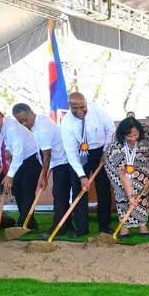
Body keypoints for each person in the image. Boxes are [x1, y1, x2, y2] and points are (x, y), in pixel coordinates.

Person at [12, 103, 74, 239]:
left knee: (59, 195)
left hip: (63, 162)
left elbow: (47, 155)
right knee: (60, 195)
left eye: (24, 120)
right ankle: (68, 226)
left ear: (30, 113)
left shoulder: (43, 127)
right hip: (55, 162)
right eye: (20, 121)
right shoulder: (32, 126)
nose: (23, 123)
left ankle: (57, 229)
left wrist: (43, 176)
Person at [60, 92, 116, 236]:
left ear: (86, 103)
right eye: (75, 108)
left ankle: (104, 226)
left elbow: (111, 129)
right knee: (79, 190)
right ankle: (82, 228)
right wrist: (81, 175)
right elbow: (71, 153)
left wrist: (106, 151)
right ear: (69, 107)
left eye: (82, 107)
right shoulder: (66, 123)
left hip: (99, 152)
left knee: (103, 190)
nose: (79, 111)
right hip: (79, 156)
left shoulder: (97, 110)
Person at [0, 106, 42, 229]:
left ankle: (25, 222)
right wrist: (8, 152)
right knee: (18, 191)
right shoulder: (3, 127)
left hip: (30, 161)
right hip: (18, 161)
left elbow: (18, 155)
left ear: (0, 117)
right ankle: (28, 222)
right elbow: (10, 147)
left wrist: (9, 175)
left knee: (27, 191)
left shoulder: (13, 128)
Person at [104, 117, 149, 238]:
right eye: (129, 136)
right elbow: (122, 174)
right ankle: (124, 227)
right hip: (118, 169)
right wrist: (130, 196)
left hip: (141, 162)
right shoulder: (116, 147)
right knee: (123, 193)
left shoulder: (145, 132)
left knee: (142, 191)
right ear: (122, 135)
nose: (133, 139)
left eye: (135, 135)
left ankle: (142, 225)